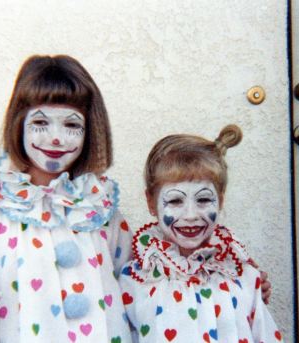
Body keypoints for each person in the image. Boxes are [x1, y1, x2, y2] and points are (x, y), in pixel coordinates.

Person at [0, 55, 132, 342]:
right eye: (41, 122)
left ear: (90, 130)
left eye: (71, 125)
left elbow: (129, 290)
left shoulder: (99, 211)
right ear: (19, 123)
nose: (56, 138)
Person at [119, 125, 283, 342]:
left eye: (203, 199)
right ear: (151, 202)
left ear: (221, 200)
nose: (190, 215)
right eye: (175, 200)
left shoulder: (242, 276)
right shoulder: (135, 279)